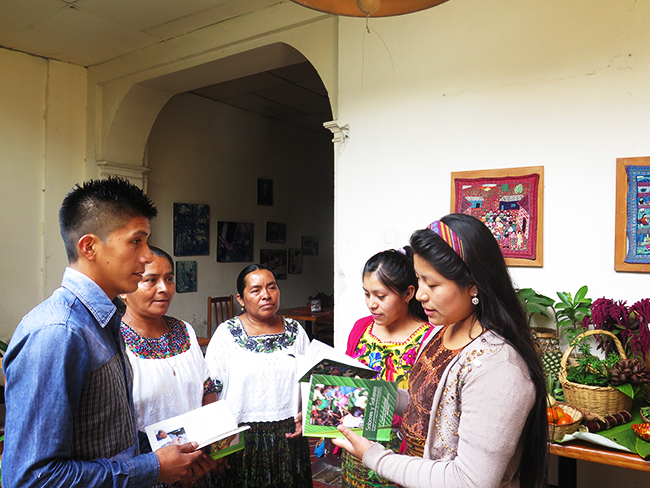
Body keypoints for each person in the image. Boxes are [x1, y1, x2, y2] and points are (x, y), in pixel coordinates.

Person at [3, 177, 216, 487]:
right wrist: (153, 468)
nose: (146, 256)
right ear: (89, 246)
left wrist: (171, 455)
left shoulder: (105, 322)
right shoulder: (58, 333)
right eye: (136, 241)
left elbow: (107, 440)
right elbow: (33, 479)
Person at [333, 214, 548, 488]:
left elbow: (470, 481)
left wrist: (374, 456)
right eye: (419, 280)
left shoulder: (497, 367)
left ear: (474, 285)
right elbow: (429, 405)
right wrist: (377, 394)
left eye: (432, 284)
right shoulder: (444, 331)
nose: (421, 294)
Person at [120, 246, 220, 488]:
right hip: (148, 471)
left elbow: (207, 390)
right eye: (151, 280)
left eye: (169, 279)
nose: (164, 288)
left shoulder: (185, 330)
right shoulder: (115, 342)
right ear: (125, 289)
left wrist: (214, 443)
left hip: (197, 464)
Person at [204, 264, 313, 488]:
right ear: (240, 299)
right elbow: (210, 391)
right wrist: (218, 445)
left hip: (289, 436)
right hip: (241, 440)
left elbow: (310, 380)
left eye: (272, 287)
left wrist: (308, 414)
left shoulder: (295, 331)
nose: (266, 295)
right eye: (256, 290)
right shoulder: (226, 334)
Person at [342, 249, 430, 488]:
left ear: (408, 293)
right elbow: (348, 383)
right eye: (367, 294)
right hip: (357, 445)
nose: (372, 304)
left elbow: (427, 403)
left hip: (402, 457)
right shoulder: (361, 328)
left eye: (381, 296)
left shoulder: (429, 338)